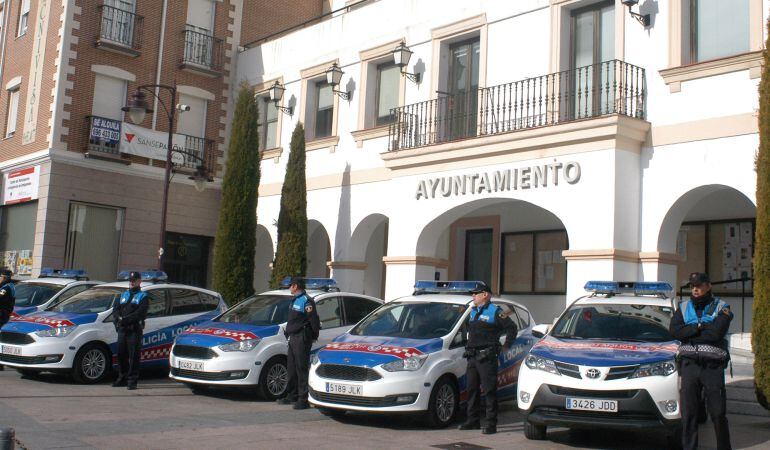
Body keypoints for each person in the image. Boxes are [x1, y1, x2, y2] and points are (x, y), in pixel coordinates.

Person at [670, 272, 733, 450]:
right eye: (692, 286)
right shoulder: (683, 307)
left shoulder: (722, 307)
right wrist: (700, 327)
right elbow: (675, 332)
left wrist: (690, 332)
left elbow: (716, 334)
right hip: (690, 366)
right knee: (689, 413)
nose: (695, 289)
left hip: (712, 367)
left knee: (718, 412)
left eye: (699, 285)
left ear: (708, 285)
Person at [457, 282, 517, 435]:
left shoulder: (495, 311)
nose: (473, 296)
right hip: (472, 356)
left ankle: (491, 423)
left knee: (489, 391)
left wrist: (507, 345)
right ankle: (472, 421)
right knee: (472, 389)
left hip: (487, 357)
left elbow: (512, 328)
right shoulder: (473, 311)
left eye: (475, 293)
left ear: (485, 295)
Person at [277, 277, 320, 410]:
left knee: (301, 368)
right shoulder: (295, 300)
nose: (289, 287)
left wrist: (313, 336)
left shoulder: (306, 301)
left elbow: (313, 320)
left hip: (301, 338)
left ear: (295, 286)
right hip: (293, 338)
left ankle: (303, 399)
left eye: (290, 285)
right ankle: (292, 395)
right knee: (291, 368)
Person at [113, 271, 148, 390]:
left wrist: (124, 320)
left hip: (134, 330)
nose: (132, 282)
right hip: (122, 330)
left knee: (134, 356)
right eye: (130, 280)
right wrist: (118, 320)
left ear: (139, 281)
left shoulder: (143, 296)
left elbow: (140, 313)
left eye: (134, 280)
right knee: (121, 354)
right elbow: (116, 309)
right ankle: (122, 377)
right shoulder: (123, 295)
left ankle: (132, 381)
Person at [0, 268, 16, 371]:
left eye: (0, 277)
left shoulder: (6, 288)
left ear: (4, 277)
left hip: (2, 315)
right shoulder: (9, 286)